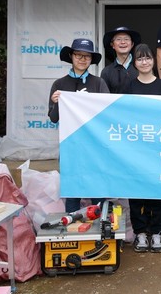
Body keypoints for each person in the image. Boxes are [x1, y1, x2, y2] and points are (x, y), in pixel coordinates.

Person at [47, 38, 109, 213]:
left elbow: (107, 113)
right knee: (73, 192)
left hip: (95, 146)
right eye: (78, 55)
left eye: (87, 56)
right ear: (71, 56)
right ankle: (71, 225)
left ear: (91, 60)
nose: (82, 59)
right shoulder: (59, 84)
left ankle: (100, 227)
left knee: (97, 191)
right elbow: (53, 118)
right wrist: (56, 103)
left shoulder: (98, 83)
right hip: (70, 145)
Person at [122, 44, 161, 253]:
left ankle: (157, 232)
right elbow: (122, 115)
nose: (144, 62)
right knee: (136, 192)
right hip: (135, 147)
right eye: (140, 59)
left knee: (156, 190)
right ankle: (140, 233)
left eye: (148, 58)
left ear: (153, 60)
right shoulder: (129, 86)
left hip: (157, 147)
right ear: (134, 63)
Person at [100, 26, 141, 93]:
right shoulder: (106, 72)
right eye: (118, 39)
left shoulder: (141, 66)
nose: (123, 42)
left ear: (132, 44)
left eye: (126, 39)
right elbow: (104, 97)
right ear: (112, 45)